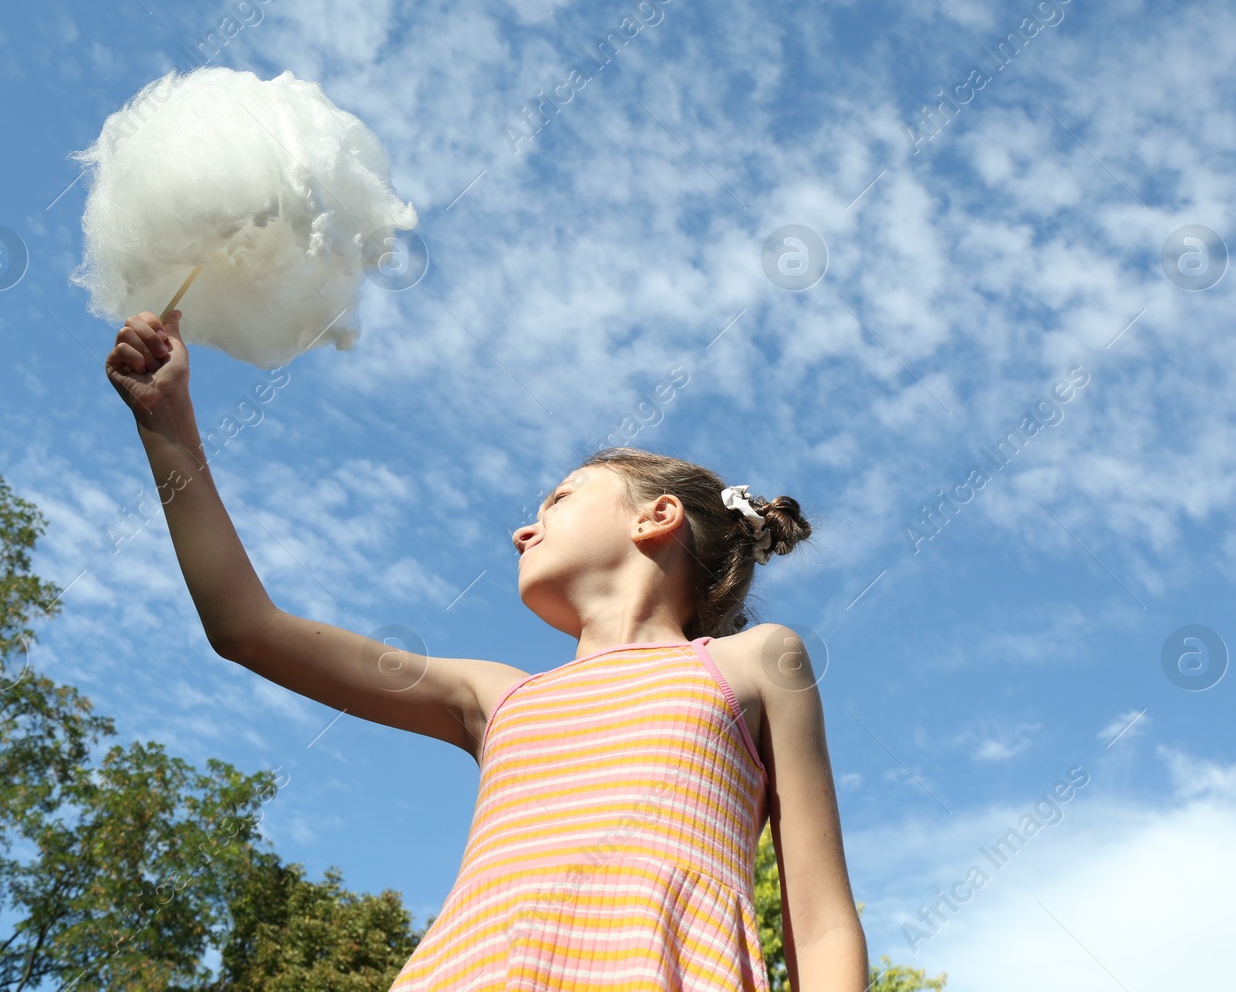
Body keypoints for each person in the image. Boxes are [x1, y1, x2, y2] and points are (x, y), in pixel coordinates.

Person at [105, 309, 869, 991]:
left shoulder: (755, 662)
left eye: (558, 499)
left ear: (657, 517)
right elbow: (247, 628)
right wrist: (166, 422)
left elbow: (821, 921)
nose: (522, 529)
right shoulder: (495, 694)